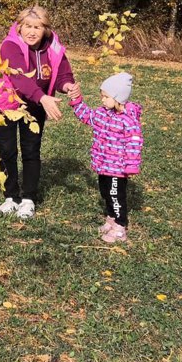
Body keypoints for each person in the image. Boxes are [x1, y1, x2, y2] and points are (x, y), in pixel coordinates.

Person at [0, 6, 77, 219]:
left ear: (45, 29)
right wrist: (43, 97)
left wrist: (68, 87)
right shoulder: (10, 45)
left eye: (37, 27)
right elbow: (19, 78)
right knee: (7, 149)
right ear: (20, 27)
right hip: (6, 102)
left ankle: (28, 198)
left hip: (36, 103)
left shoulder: (54, 49)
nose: (31, 32)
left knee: (31, 150)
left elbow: (64, 75)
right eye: (27, 26)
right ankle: (11, 196)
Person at [68, 72, 143, 243]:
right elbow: (87, 116)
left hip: (117, 168)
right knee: (106, 193)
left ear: (118, 98)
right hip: (103, 166)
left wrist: (130, 165)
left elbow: (134, 143)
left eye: (106, 97)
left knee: (116, 195)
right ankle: (111, 218)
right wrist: (77, 101)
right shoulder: (102, 113)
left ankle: (120, 226)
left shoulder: (128, 121)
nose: (102, 100)